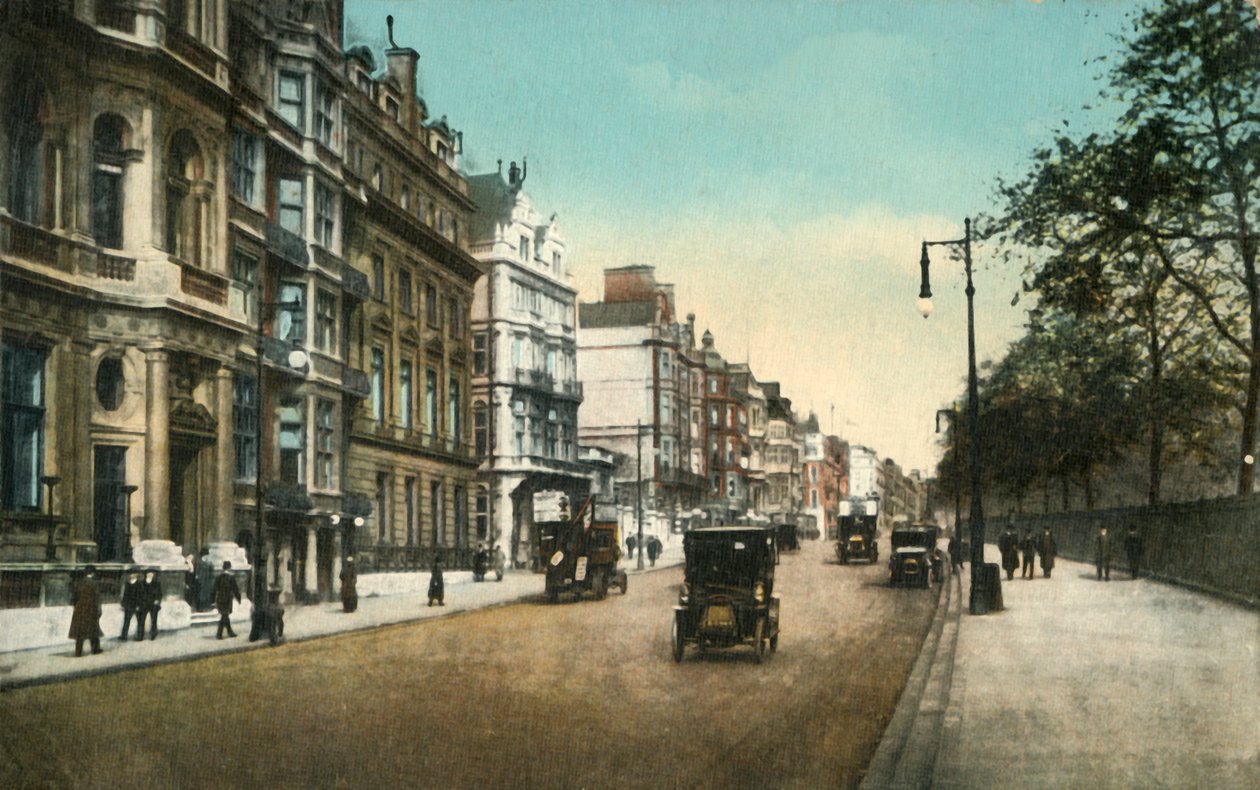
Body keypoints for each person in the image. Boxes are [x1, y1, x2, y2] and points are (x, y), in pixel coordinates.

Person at [69, 565, 103, 657]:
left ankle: (78, 652)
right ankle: (95, 649)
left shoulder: (78, 583)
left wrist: (76, 606)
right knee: (94, 630)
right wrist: (99, 610)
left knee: (80, 632)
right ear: (92, 573)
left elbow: (73, 598)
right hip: (91, 609)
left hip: (80, 609)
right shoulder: (95, 583)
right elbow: (97, 598)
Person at [214, 561, 241, 639]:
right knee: (224, 615)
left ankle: (230, 632)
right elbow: (235, 589)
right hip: (227, 599)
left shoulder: (218, 577)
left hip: (219, 599)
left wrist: (212, 600)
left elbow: (214, 589)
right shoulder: (231, 578)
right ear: (229, 568)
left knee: (225, 615)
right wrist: (238, 598)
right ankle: (219, 634)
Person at [119, 567, 145, 641]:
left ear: (136, 575)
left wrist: (139, 605)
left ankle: (139, 636)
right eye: (130, 574)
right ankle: (124, 636)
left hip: (137, 605)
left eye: (133, 574)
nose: (131, 575)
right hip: (129, 605)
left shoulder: (139, 584)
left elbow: (141, 596)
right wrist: (123, 604)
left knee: (140, 622)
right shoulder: (127, 584)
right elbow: (125, 595)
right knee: (126, 621)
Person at [140, 568, 162, 640]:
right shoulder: (142, 583)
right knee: (141, 620)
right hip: (144, 604)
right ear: (146, 574)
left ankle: (153, 634)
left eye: (151, 574)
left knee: (153, 620)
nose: (150, 575)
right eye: (148, 573)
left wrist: (157, 600)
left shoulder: (157, 583)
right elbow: (138, 593)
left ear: (153, 575)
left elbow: (160, 594)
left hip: (153, 604)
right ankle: (140, 635)